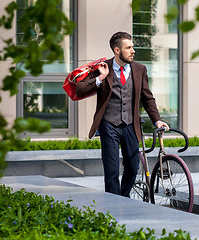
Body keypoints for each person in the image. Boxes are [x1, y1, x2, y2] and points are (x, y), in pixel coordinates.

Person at [76, 31, 169, 197]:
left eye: (132, 47)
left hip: (130, 125)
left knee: (133, 168)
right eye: (129, 48)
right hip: (108, 124)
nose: (133, 51)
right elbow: (80, 89)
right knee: (111, 170)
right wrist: (100, 78)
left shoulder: (140, 69)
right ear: (117, 50)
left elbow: (147, 98)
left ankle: (123, 198)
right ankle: (114, 206)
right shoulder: (102, 67)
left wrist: (157, 121)